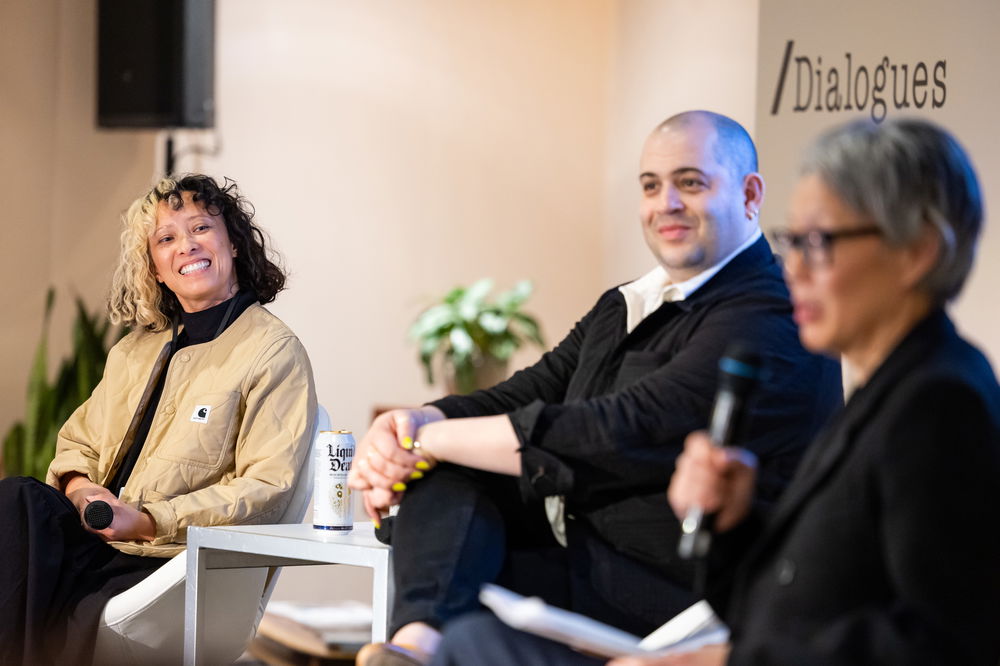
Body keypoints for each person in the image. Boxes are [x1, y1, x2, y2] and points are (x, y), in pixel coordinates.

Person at [350, 110, 842, 666]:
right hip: (589, 558)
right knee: (450, 472)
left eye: (691, 183)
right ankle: (415, 650)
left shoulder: (771, 312)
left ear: (750, 195)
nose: (666, 205)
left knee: (452, 500)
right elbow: (531, 389)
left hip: (687, 595)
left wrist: (427, 443)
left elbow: (620, 427)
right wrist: (416, 424)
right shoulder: (628, 302)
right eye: (651, 186)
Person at [620, 117, 1000, 665]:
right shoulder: (883, 389)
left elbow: (941, 644)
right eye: (791, 241)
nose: (793, 268)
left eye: (819, 243)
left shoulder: (939, 405)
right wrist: (733, 523)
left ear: (916, 252)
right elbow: (799, 608)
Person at [0, 175, 317, 666]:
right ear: (155, 267)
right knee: (17, 498)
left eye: (201, 228)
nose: (186, 245)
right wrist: (86, 494)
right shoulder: (134, 349)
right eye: (166, 239)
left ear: (232, 242)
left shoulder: (272, 351)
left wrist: (147, 521)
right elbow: (77, 443)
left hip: (169, 563)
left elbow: (265, 487)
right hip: (94, 541)